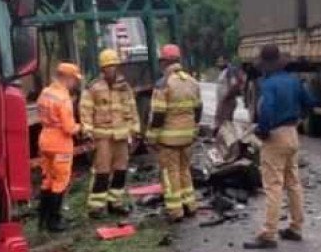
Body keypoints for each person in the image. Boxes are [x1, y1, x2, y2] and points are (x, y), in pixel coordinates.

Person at [245, 45, 312, 250]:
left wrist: (262, 131)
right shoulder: (294, 81)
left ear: (265, 65)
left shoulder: (268, 84)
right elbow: (309, 103)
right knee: (293, 182)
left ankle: (269, 233)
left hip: (275, 137)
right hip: (292, 134)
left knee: (273, 185)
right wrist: (299, 119)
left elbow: (267, 110)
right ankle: (296, 227)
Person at [79, 48, 140, 218]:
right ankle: (96, 207)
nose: (111, 69)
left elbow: (132, 108)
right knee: (102, 171)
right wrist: (88, 131)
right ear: (102, 68)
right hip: (102, 136)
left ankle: (116, 202)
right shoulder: (94, 88)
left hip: (121, 136)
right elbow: (85, 110)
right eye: (108, 66)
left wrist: (135, 131)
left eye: (114, 66)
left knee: (121, 170)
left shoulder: (124, 87)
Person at [148, 43, 202, 222]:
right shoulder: (192, 81)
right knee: (184, 170)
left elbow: (158, 114)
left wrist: (152, 136)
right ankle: (190, 205)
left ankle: (175, 211)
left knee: (170, 174)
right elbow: (198, 109)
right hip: (188, 137)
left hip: (169, 139)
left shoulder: (163, 84)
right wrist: (193, 128)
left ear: (164, 62)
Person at [36, 62, 83, 232]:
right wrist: (81, 127)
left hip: (45, 139)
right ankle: (55, 222)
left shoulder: (45, 92)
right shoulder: (64, 99)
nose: (75, 83)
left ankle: (43, 219)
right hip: (60, 143)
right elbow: (69, 128)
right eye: (74, 80)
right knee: (60, 182)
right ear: (68, 78)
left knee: (47, 180)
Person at [214, 55, 245, 128]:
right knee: (221, 122)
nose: (218, 64)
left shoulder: (230, 71)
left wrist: (226, 97)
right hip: (224, 101)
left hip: (227, 102)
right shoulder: (224, 72)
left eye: (220, 62)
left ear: (226, 61)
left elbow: (233, 85)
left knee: (225, 124)